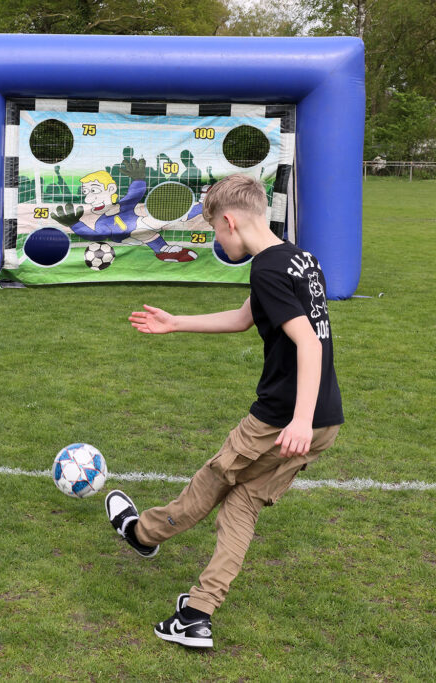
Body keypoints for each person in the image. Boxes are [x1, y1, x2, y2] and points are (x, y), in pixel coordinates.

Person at [106, 173, 343, 648]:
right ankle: (197, 614)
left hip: (283, 419)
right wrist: (176, 324)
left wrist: (296, 418)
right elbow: (243, 319)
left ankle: (143, 534)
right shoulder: (298, 257)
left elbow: (309, 344)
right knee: (242, 507)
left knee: (212, 481)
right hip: (325, 422)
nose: (216, 238)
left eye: (214, 229)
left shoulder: (268, 269)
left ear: (230, 221)